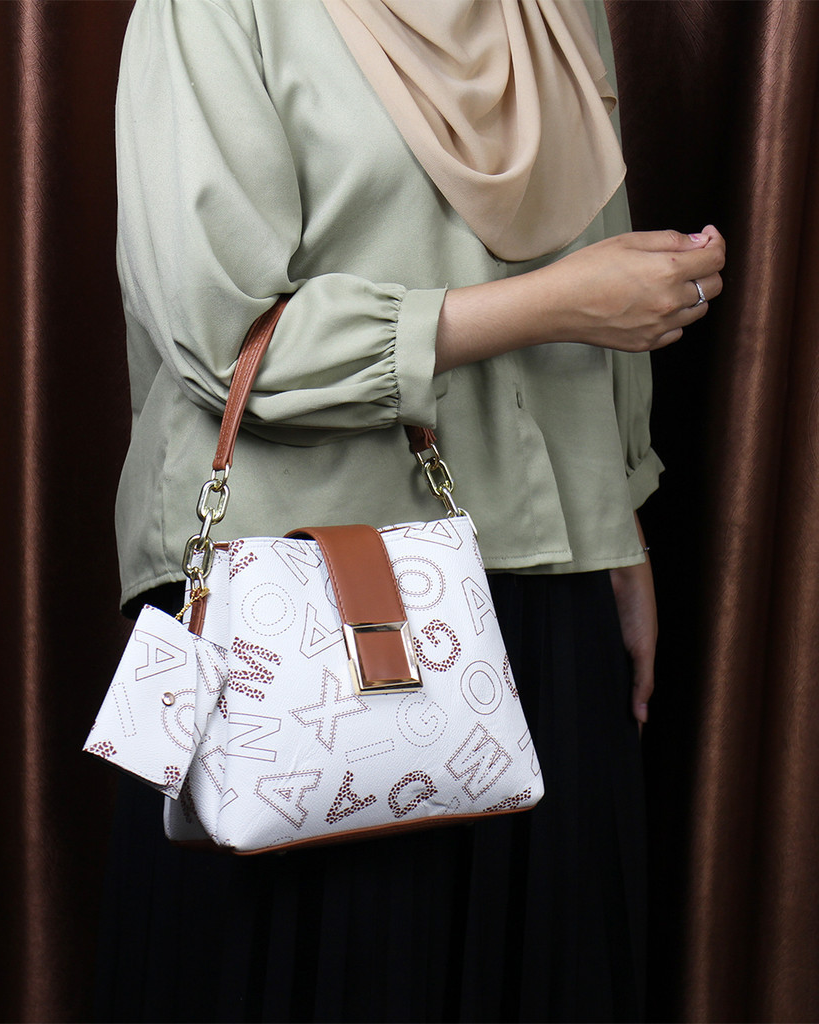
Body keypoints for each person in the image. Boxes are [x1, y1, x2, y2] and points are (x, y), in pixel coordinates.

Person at [95, 2, 726, 1021]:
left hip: (548, 589)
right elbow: (226, 339)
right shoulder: (216, 12)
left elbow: (601, 279)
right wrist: (554, 304)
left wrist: (624, 529)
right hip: (299, 604)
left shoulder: (553, 10)